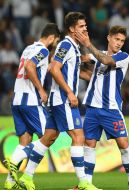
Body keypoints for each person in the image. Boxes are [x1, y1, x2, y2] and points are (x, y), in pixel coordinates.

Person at [17, 12, 101, 190]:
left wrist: (96, 76)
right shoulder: (66, 44)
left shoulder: (73, 47)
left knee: (48, 138)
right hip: (63, 99)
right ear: (71, 29)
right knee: (78, 136)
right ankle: (84, 183)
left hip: (58, 99)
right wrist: (70, 93)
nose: (85, 29)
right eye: (81, 27)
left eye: (85, 26)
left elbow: (71, 72)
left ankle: (26, 177)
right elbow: (54, 68)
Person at [74, 25, 129, 190]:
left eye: (122, 40)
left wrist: (87, 43)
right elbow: (84, 64)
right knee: (89, 144)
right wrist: (70, 59)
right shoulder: (97, 54)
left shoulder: (123, 57)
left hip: (111, 109)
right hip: (92, 108)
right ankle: (86, 183)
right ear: (109, 38)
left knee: (123, 143)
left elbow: (105, 60)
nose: (119, 43)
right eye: (117, 39)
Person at [3, 23, 60, 190]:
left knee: (25, 141)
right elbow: (29, 67)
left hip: (17, 100)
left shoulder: (28, 48)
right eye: (56, 41)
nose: (55, 45)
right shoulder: (42, 50)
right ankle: (21, 169)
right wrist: (42, 90)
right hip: (31, 101)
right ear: (51, 38)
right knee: (50, 135)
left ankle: (10, 182)